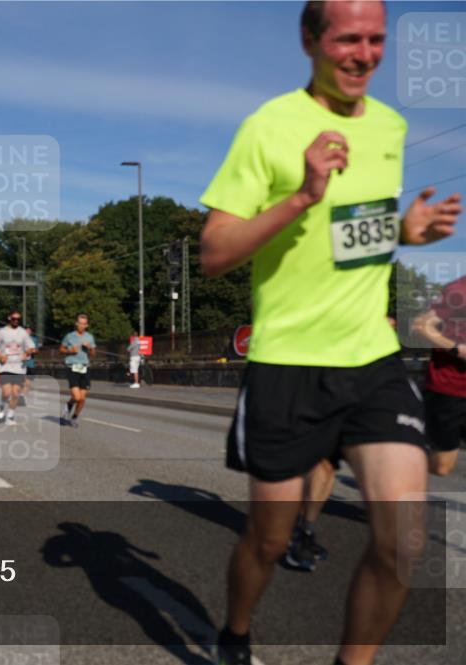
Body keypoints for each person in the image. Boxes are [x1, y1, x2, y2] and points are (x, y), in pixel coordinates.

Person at [198, 3, 462, 664]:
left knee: (404, 539)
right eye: (348, 38)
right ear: (310, 39)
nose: (364, 54)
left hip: (371, 355)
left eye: (376, 39)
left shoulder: (391, 127)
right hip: (287, 362)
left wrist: (404, 230)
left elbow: (350, 235)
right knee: (266, 539)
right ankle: (235, 629)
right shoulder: (270, 126)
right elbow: (215, 251)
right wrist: (301, 196)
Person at [413, 274, 466, 476]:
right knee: (442, 467)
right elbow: (421, 325)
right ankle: (399, 466)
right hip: (450, 388)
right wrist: (456, 349)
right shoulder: (459, 290)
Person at [0, 310, 36, 426]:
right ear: (9, 318)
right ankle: (1, 404)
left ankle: (10, 416)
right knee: (6, 392)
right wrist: (0, 356)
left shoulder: (23, 333)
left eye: (18, 319)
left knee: (16, 393)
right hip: (5, 367)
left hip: (19, 368)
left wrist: (27, 352)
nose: (16, 321)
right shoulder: (1, 332)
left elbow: (31, 347)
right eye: (14, 319)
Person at [60, 314, 96, 427]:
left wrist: (89, 348)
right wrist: (70, 351)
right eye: (80, 323)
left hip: (85, 367)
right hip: (72, 367)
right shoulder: (69, 336)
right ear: (76, 324)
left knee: (82, 398)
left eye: (84, 324)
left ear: (87, 325)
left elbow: (93, 354)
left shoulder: (89, 337)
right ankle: (68, 405)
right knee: (76, 397)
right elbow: (61, 349)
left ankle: (74, 417)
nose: (81, 326)